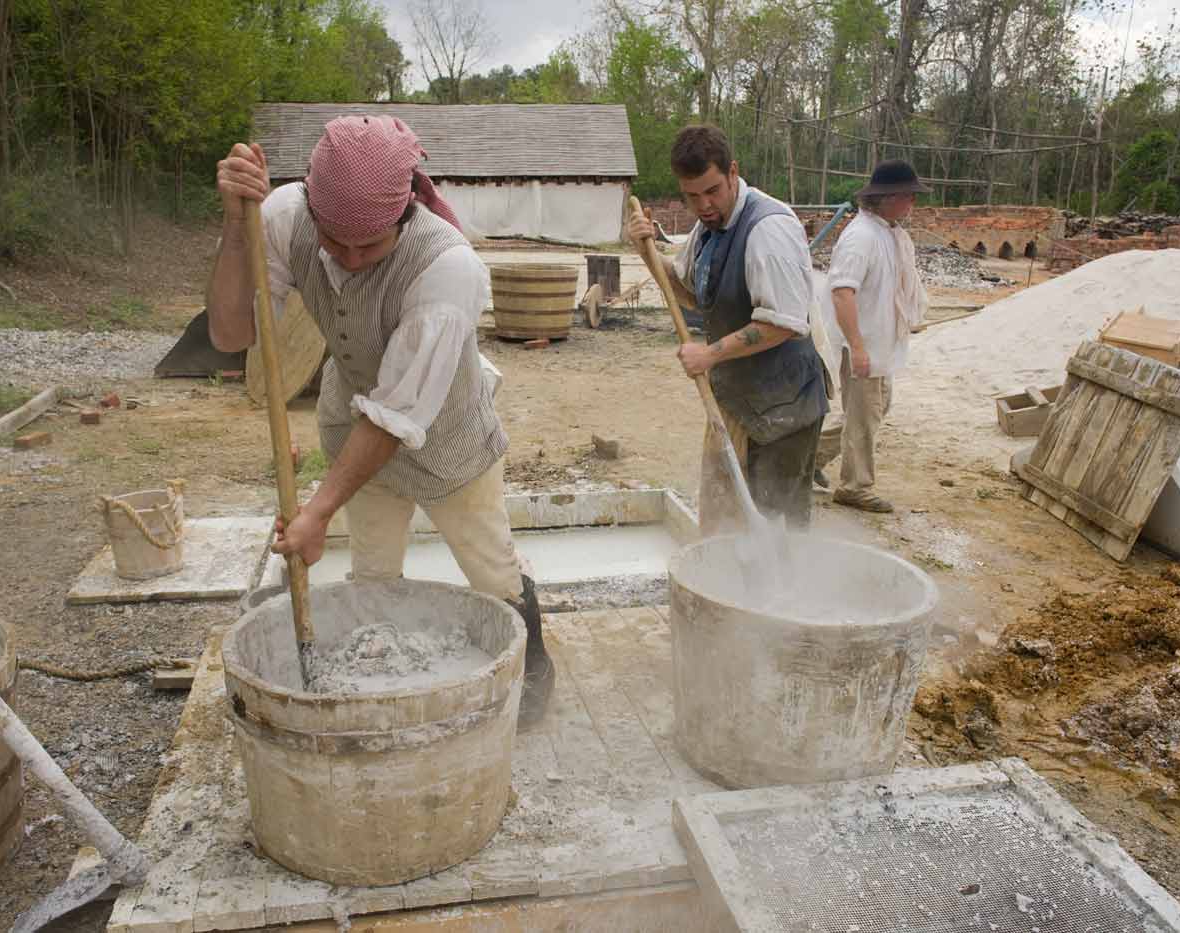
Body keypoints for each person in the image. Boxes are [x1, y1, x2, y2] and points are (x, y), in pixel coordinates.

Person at [206, 115, 554, 726]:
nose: (348, 258)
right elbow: (232, 333)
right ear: (312, 205)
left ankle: (533, 672)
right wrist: (238, 228)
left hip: (449, 434)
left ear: (407, 211)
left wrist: (315, 512)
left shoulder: (447, 267)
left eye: (369, 245)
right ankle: (382, 680)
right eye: (333, 240)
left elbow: (398, 416)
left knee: (490, 565)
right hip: (355, 418)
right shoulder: (285, 216)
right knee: (371, 571)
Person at [627, 125, 829, 535]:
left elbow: (784, 324)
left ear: (733, 171)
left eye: (713, 190)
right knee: (725, 524)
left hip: (782, 409)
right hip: (736, 401)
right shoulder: (708, 229)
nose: (703, 204)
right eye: (692, 195)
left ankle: (781, 598)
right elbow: (690, 295)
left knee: (778, 532)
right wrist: (647, 253)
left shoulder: (769, 230)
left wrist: (710, 354)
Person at [815, 160, 930, 514]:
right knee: (864, 417)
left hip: (880, 343)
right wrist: (858, 347)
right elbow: (841, 292)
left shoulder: (887, 232)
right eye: (907, 196)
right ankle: (855, 486)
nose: (912, 202)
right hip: (861, 345)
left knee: (868, 412)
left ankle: (805, 457)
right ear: (887, 197)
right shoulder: (861, 236)